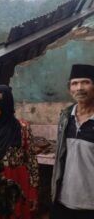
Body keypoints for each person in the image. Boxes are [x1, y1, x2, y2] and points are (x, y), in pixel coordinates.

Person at [0, 84, 39, 219]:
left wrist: (33, 191)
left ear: (4, 103)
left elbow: (31, 160)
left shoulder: (22, 127)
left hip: (17, 182)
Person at [51, 64, 94, 219]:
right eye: (74, 83)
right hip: (63, 200)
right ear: (69, 89)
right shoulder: (65, 118)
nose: (79, 88)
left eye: (85, 82)